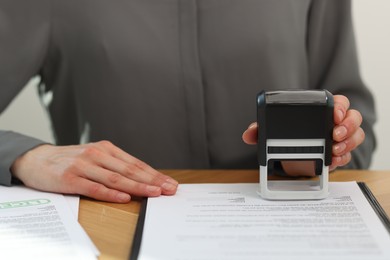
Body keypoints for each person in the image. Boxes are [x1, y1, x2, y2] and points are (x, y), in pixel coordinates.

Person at [0, 0, 375, 203]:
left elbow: (351, 107)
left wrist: (318, 156)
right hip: (112, 225)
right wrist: (25, 156)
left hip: (285, 222)